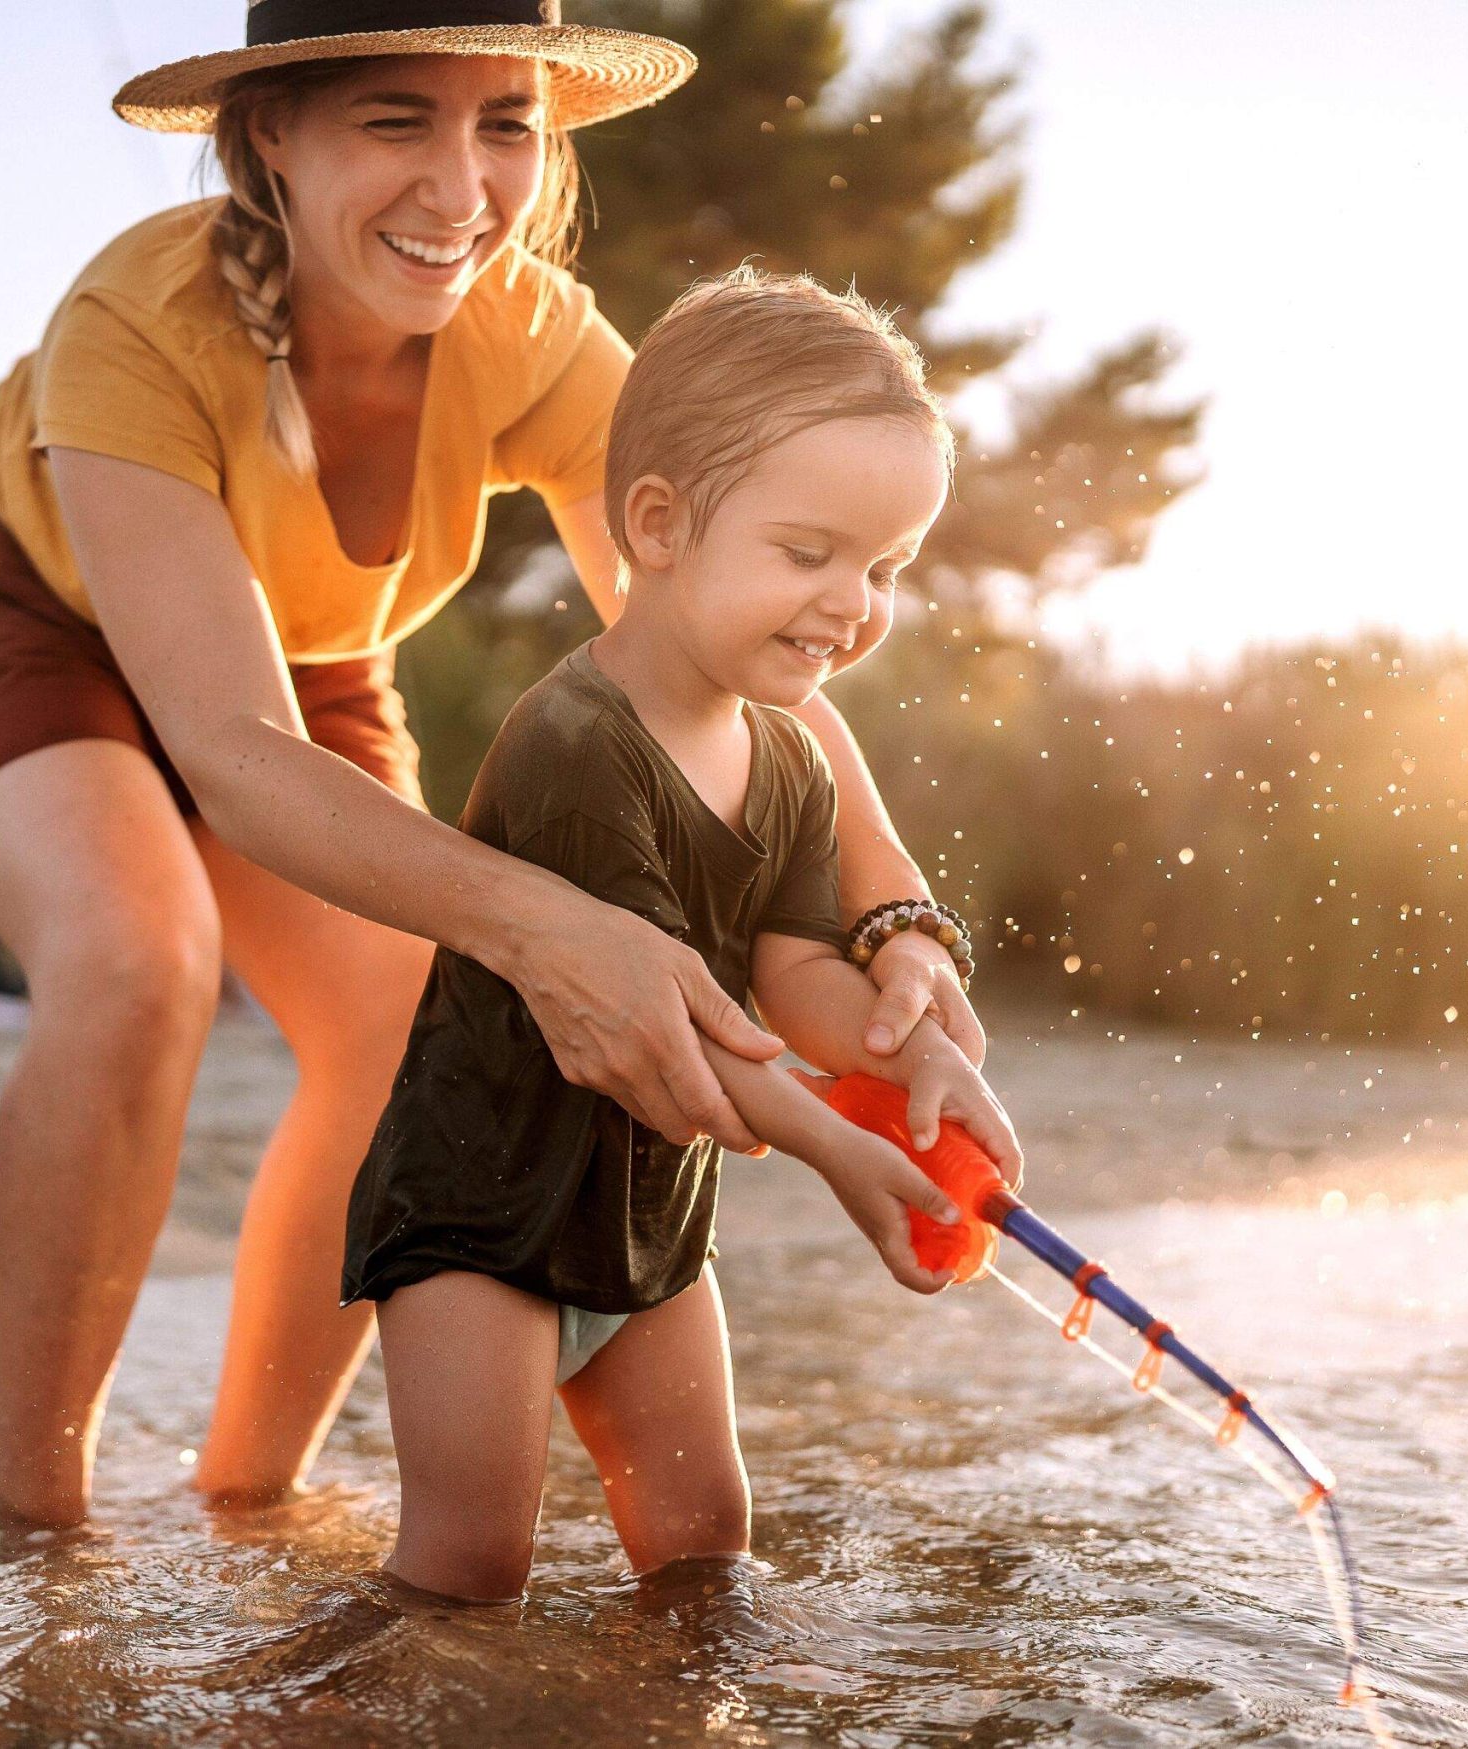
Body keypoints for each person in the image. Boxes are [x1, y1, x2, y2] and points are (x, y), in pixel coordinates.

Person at [0, 1, 984, 1527]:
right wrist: (545, 921)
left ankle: (248, 1496)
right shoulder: (134, 323)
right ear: (269, 136)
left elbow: (729, 646)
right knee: (138, 956)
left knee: (405, 1023)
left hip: (304, 657)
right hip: (17, 609)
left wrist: (896, 916)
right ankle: (37, 1530)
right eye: (397, 121)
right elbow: (232, 758)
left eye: (504, 125)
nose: (462, 190)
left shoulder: (537, 336)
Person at [343, 269, 1025, 1601]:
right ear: (655, 524)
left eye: (884, 567)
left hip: (647, 1213)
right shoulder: (576, 744)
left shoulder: (788, 761)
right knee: (473, 1564)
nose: (855, 602)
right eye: (810, 552)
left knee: (705, 1545)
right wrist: (840, 1145)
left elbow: (792, 976)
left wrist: (910, 1061)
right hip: (485, 1209)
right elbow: (686, 1033)